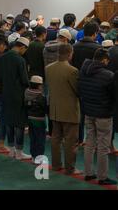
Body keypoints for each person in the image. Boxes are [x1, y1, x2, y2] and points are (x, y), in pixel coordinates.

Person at [78, 49, 116, 185]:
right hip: (104, 114)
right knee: (103, 147)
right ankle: (102, 176)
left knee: (89, 143)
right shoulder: (108, 75)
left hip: (88, 112)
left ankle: (88, 173)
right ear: (104, 60)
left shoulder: (83, 71)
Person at [46, 43, 81, 175]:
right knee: (70, 141)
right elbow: (77, 90)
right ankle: (70, 168)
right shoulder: (72, 71)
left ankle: (56, 165)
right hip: (69, 110)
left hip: (54, 108)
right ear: (69, 54)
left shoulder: (48, 68)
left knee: (56, 139)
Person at [0, 37, 31, 160]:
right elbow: (24, 80)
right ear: (22, 47)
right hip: (18, 95)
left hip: (5, 93)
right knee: (19, 124)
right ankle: (19, 151)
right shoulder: (20, 60)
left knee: (9, 122)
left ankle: (11, 149)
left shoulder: (2, 57)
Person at [72, 21, 102, 145]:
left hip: (76, 82)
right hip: (92, 85)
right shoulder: (97, 48)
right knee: (92, 115)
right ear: (95, 33)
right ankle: (92, 141)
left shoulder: (74, 47)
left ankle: (79, 139)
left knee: (78, 112)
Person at [25, 75, 47, 164]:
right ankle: (39, 158)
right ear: (39, 85)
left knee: (33, 138)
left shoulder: (26, 92)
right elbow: (45, 109)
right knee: (40, 139)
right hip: (39, 120)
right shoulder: (41, 97)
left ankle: (33, 156)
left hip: (29, 119)